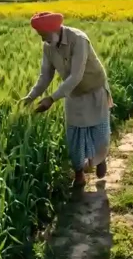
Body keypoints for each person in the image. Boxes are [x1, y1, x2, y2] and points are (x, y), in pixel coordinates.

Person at [21, 11, 112, 187]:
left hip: (94, 89)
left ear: (54, 30)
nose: (42, 39)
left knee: (99, 133)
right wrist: (31, 97)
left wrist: (52, 99)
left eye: (43, 35)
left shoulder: (79, 39)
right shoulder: (48, 46)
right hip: (73, 93)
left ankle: (100, 159)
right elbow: (45, 75)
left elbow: (76, 75)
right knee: (74, 135)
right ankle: (79, 174)